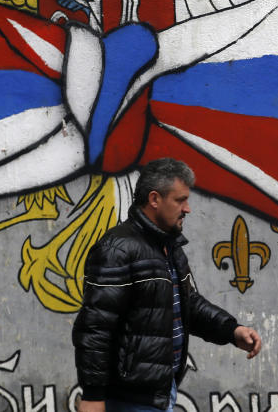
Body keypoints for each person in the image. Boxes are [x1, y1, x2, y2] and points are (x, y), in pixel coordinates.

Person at [72, 158, 262, 412]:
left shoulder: (168, 246)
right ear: (154, 199)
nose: (187, 209)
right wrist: (93, 396)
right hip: (128, 400)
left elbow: (186, 304)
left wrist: (231, 331)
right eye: (180, 200)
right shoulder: (117, 249)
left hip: (160, 393)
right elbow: (95, 328)